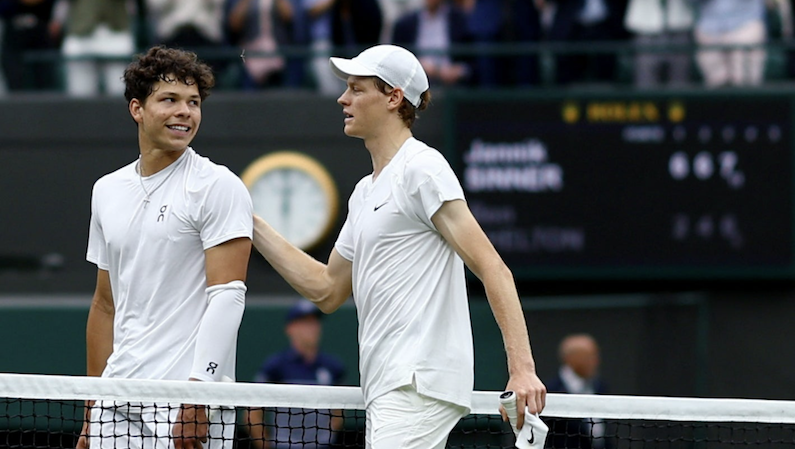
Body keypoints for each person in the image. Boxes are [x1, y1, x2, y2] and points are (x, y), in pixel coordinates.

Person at [251, 44, 547, 449]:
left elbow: (492, 266)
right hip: (387, 386)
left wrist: (522, 370)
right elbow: (327, 289)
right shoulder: (364, 192)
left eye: (356, 89)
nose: (343, 98)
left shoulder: (422, 168)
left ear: (393, 98)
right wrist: (250, 222)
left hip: (416, 382)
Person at [79, 45, 254, 449]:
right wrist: (91, 407)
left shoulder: (217, 185)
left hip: (187, 400)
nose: (185, 112)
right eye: (170, 100)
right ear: (137, 109)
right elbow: (105, 304)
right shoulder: (106, 191)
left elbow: (228, 296)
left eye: (193, 103)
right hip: (118, 396)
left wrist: (198, 396)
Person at [247, 299, 346, 448]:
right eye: (305, 323)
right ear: (290, 328)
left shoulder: (332, 366)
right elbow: (252, 413)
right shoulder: (275, 366)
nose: (312, 328)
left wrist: (326, 437)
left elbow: (339, 413)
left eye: (314, 322)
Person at [545, 334, 610, 449]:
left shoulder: (600, 387)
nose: (596, 361)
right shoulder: (550, 391)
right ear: (571, 359)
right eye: (589, 356)